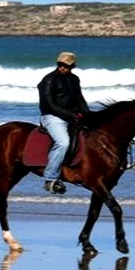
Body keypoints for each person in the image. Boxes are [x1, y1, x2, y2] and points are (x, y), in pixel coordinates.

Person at [37, 52, 89, 194]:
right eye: (60, 65)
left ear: (72, 66)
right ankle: (50, 178)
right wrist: (72, 115)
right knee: (63, 142)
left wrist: (88, 114)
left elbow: (79, 100)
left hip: (71, 117)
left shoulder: (74, 79)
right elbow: (49, 104)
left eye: (66, 66)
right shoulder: (49, 80)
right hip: (52, 117)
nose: (62, 68)